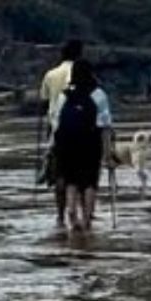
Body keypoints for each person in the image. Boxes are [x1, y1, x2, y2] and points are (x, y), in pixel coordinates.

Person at [51, 59, 116, 232]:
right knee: (89, 182)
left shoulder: (64, 95)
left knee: (71, 180)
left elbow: (56, 123)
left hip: (66, 144)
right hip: (90, 143)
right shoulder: (99, 94)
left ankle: (71, 212)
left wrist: (55, 147)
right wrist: (108, 153)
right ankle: (87, 218)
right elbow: (105, 126)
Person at [37, 39, 82, 227]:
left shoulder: (50, 74)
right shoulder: (82, 73)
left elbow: (44, 104)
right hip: (81, 128)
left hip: (57, 130)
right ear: (79, 54)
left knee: (59, 174)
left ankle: (60, 215)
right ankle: (79, 212)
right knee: (80, 173)